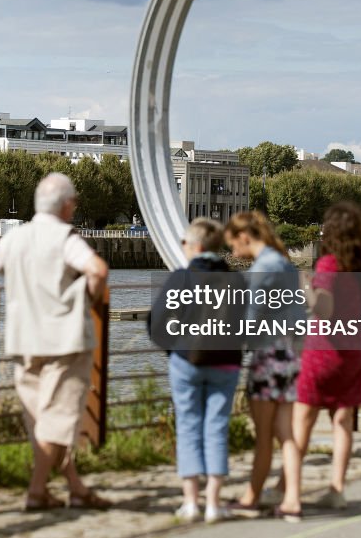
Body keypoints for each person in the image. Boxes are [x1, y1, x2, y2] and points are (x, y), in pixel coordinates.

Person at [0, 173, 111, 510]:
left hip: (23, 340)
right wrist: (87, 301)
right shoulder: (65, 238)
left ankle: (74, 487)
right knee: (57, 421)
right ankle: (36, 491)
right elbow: (98, 270)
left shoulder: (16, 237)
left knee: (41, 421)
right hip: (65, 340)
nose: (74, 207)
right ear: (65, 205)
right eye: (73, 201)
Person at [147, 217, 242, 524]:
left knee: (188, 426)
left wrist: (172, 350)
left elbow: (156, 322)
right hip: (226, 363)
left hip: (187, 360)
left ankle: (190, 502)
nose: (182, 248)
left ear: (196, 246)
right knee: (217, 427)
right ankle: (214, 503)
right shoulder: (237, 281)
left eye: (184, 243)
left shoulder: (181, 278)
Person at [294, 202, 361, 513]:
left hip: (326, 350)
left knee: (304, 419)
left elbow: (323, 309)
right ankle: (337, 489)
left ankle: (288, 487)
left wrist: (306, 287)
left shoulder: (329, 265)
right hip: (356, 349)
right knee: (343, 421)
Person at [223, 212, 305, 522]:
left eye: (233, 244)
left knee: (264, 436)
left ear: (245, 237)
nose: (233, 252)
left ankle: (250, 498)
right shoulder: (283, 263)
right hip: (290, 355)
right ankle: (292, 501)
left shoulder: (264, 268)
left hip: (268, 358)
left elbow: (251, 319)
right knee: (287, 435)